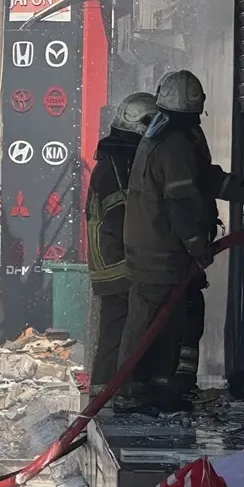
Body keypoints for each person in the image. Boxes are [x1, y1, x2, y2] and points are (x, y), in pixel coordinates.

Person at [119, 70, 244, 414]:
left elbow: (204, 177)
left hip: (157, 247)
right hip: (159, 252)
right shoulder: (173, 145)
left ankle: (157, 390)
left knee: (168, 322)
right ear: (192, 111)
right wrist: (197, 246)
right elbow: (182, 204)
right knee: (148, 323)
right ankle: (130, 393)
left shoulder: (165, 135)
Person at [85, 92, 157, 396]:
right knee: (122, 329)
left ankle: (106, 395)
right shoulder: (117, 165)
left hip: (113, 261)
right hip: (118, 262)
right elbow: (121, 216)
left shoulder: (116, 159)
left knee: (117, 330)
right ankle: (110, 397)